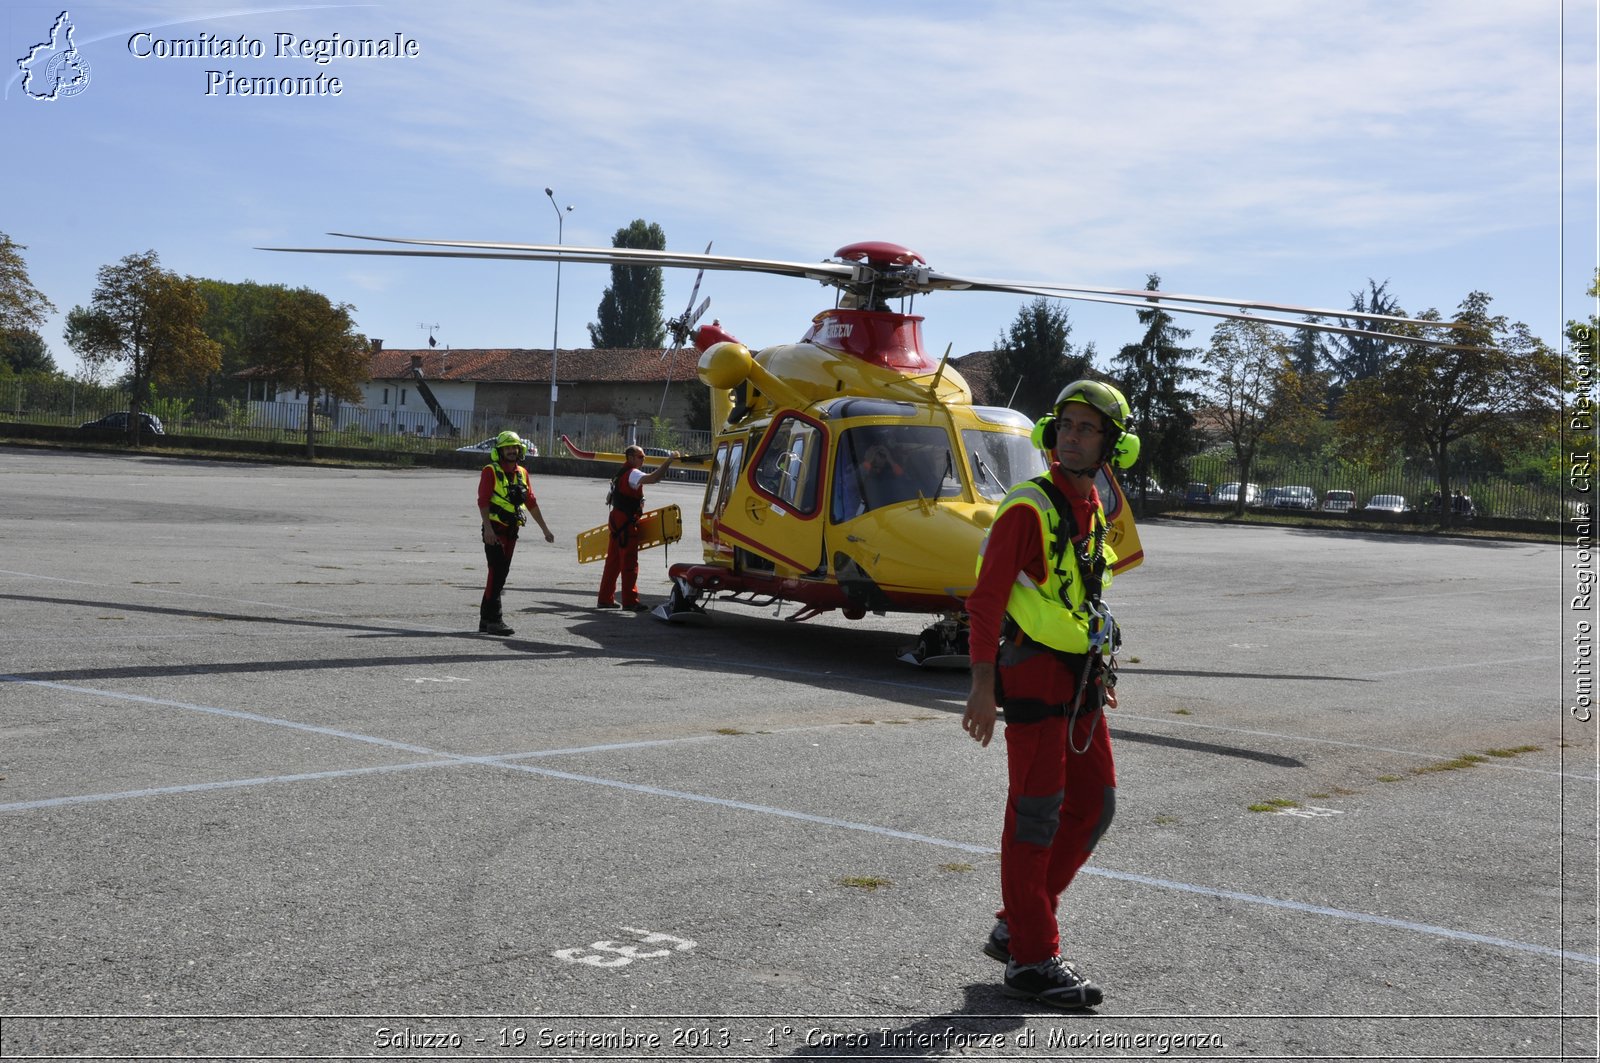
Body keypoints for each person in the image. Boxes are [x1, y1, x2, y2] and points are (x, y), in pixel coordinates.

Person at [961, 379, 1140, 1011]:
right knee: (1034, 819)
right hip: (1035, 676)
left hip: (1083, 678)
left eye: (1086, 428)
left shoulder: (1094, 505)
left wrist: (1100, 668)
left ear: (1112, 445)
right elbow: (984, 600)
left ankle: (1017, 921)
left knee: (1095, 807)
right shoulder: (1027, 506)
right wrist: (982, 688)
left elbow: (1081, 595)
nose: (1070, 435)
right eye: (1065, 425)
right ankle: (1031, 960)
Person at [476, 430, 555, 635]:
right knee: (497, 573)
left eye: (515, 447)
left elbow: (531, 502)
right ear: (500, 451)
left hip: (512, 530)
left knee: (499, 574)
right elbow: (483, 502)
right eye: (508, 448)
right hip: (495, 530)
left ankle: (485, 619)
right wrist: (489, 530)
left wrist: (545, 529)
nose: (512, 451)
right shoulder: (490, 471)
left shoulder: (522, 473)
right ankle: (495, 620)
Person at [598, 445, 678, 610]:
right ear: (630, 458)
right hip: (626, 523)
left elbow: (610, 498)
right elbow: (654, 478)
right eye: (640, 457)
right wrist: (668, 461)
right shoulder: (633, 474)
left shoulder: (619, 474)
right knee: (629, 563)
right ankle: (630, 601)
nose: (643, 460)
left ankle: (605, 599)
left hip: (616, 520)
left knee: (612, 562)